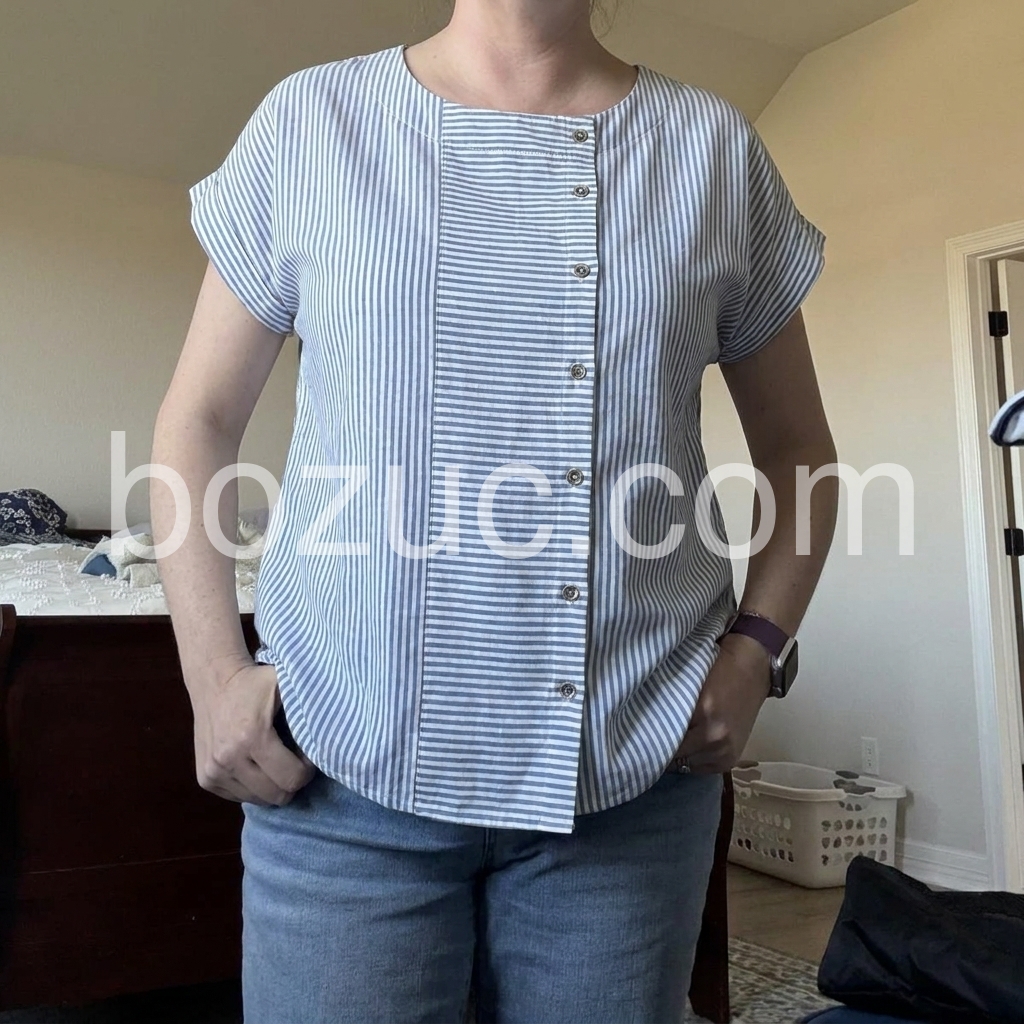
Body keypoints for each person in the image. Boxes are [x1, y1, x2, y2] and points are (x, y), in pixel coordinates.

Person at [150, 1, 839, 1021]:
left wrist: (756, 651)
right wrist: (212, 677)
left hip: (629, 782)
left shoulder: (712, 152)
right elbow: (199, 421)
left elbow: (799, 453)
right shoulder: (310, 123)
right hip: (339, 771)